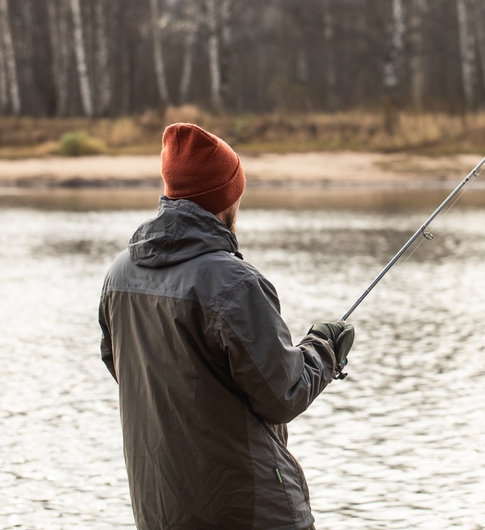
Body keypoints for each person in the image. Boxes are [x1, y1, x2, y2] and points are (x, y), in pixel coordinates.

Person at [98, 122, 354, 530]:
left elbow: (122, 368)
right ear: (227, 198)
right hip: (251, 511)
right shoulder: (232, 282)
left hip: (161, 509)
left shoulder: (119, 274)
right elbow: (283, 394)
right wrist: (324, 347)